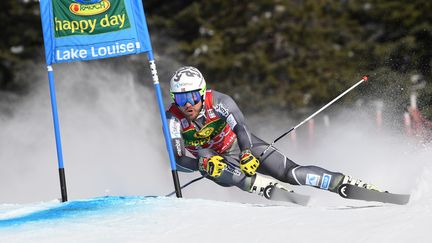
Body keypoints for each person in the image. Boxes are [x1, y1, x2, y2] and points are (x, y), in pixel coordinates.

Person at [166, 66, 381, 199]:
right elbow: (176, 159)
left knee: (291, 173)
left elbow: (241, 127)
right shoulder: (173, 118)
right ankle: (259, 186)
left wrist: (247, 152)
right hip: (216, 163)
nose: (188, 105)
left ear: (202, 94)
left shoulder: (220, 101)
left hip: (237, 146)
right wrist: (200, 165)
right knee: (210, 163)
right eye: (181, 98)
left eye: (192, 97)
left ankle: (340, 182)